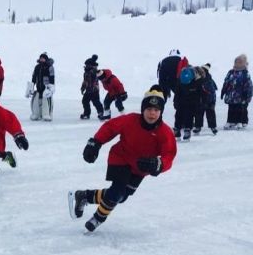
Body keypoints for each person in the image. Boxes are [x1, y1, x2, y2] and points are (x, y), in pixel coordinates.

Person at [69, 85, 177, 232]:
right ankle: (97, 219)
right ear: (143, 109)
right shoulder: (131, 120)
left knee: (121, 197)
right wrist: (95, 143)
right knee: (117, 192)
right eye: (149, 109)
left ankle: (84, 196)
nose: (152, 114)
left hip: (140, 168)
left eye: (156, 110)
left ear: (161, 112)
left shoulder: (165, 132)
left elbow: (169, 154)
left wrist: (159, 164)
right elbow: (110, 127)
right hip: (120, 158)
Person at [221, 54, 253, 130]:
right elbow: (226, 82)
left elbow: (248, 85)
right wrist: (223, 91)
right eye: (236, 62)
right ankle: (230, 121)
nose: (237, 64)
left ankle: (239, 121)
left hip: (240, 95)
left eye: (239, 62)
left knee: (240, 108)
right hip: (231, 95)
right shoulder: (231, 72)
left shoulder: (245, 73)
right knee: (231, 108)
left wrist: (247, 95)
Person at [30, 52, 55, 121]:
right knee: (36, 100)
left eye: (43, 58)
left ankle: (47, 114)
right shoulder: (37, 67)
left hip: (46, 88)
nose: (42, 60)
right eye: (41, 58)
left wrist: (51, 87)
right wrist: (32, 85)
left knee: (46, 101)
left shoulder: (50, 67)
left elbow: (52, 77)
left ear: (46, 59)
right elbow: (34, 76)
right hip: (39, 87)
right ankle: (36, 114)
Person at [194, 63, 218, 135]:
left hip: (209, 100)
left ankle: (212, 127)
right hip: (201, 100)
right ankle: (198, 127)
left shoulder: (207, 80)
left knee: (210, 114)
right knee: (199, 114)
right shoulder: (199, 79)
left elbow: (213, 90)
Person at [80, 55, 104, 120]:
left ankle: (100, 112)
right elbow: (85, 81)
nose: (85, 66)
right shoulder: (86, 72)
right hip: (88, 90)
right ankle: (86, 114)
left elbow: (95, 78)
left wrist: (92, 88)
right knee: (85, 101)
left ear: (90, 65)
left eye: (87, 65)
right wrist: (83, 88)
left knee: (96, 102)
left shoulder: (93, 71)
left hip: (94, 90)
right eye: (86, 65)